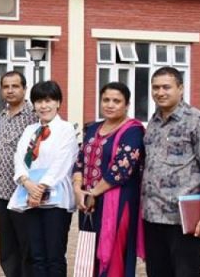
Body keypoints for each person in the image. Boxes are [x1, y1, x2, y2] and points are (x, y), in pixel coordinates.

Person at [141, 66, 200, 276]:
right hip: (153, 217)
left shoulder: (198, 121)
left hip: (185, 220)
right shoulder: (154, 122)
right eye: (155, 87)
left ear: (180, 88)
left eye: (166, 87)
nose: (160, 92)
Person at [73, 82, 145, 277]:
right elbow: (80, 161)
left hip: (118, 202)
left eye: (116, 101)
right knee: (88, 253)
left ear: (127, 105)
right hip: (88, 202)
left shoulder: (133, 131)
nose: (110, 105)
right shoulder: (93, 128)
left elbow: (122, 168)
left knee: (114, 254)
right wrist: (78, 190)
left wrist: (93, 193)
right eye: (106, 100)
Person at [7, 80, 77, 277]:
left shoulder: (66, 129)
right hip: (29, 196)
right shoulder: (30, 130)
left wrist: (41, 188)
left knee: (54, 255)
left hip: (56, 199)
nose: (43, 106)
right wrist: (27, 183)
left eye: (48, 100)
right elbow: (19, 158)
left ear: (58, 103)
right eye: (39, 101)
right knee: (36, 255)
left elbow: (63, 162)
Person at [0, 71, 36, 277]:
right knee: (7, 248)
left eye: (15, 86)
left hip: (24, 192)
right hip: (2, 194)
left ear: (24, 89)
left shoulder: (34, 116)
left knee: (26, 246)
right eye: (6, 86)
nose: (10, 90)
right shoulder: (1, 116)